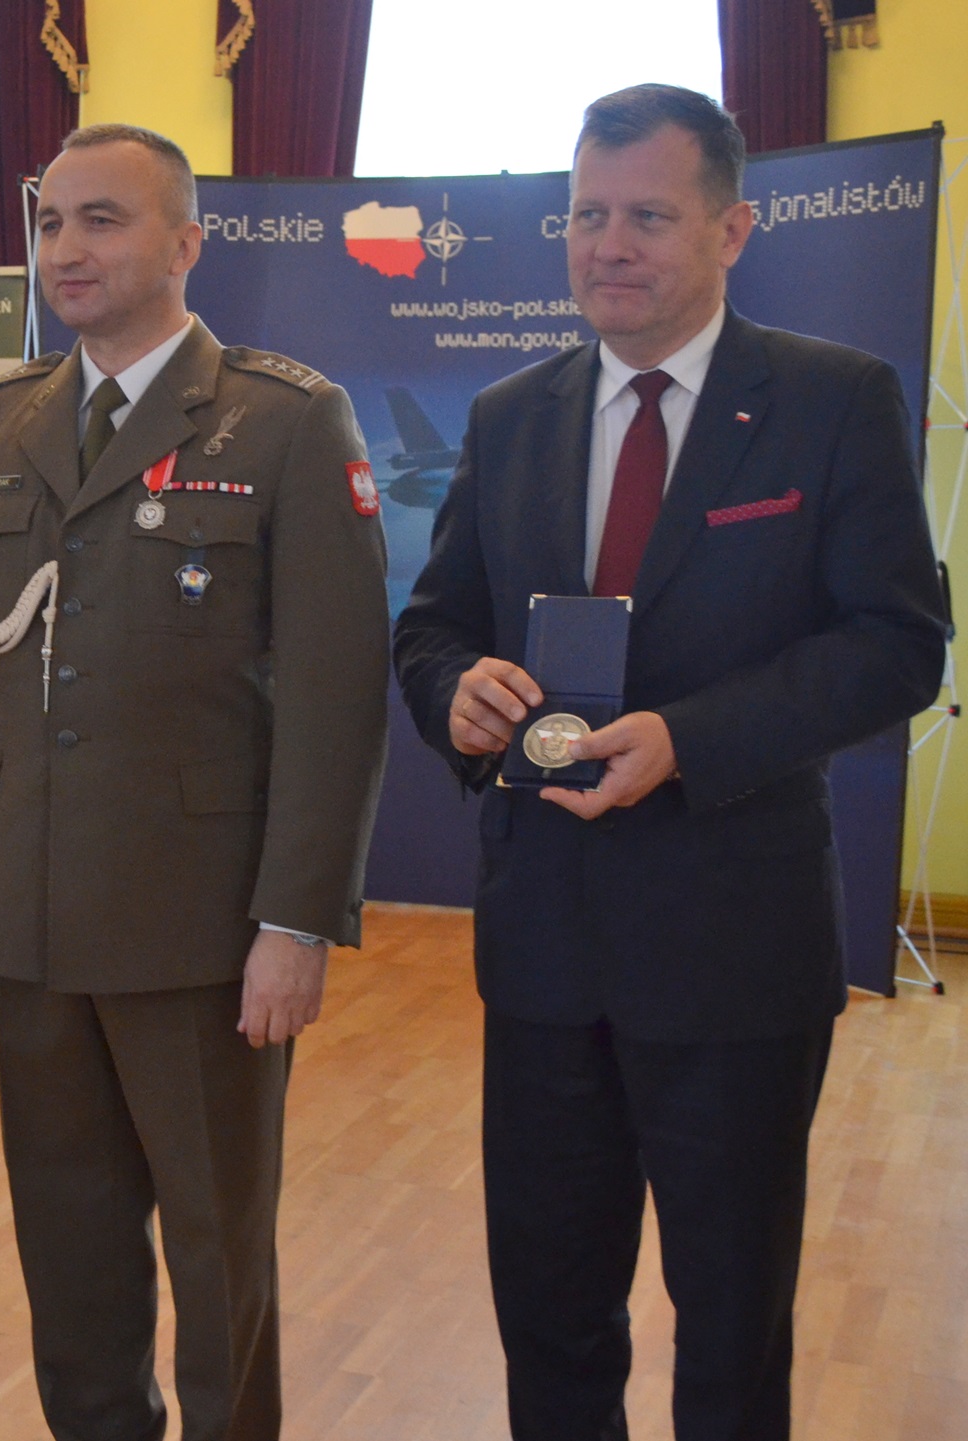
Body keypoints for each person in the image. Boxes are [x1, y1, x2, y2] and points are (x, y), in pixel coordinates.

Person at [393, 85, 946, 1441]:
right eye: (587, 215)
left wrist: (692, 739)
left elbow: (897, 644)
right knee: (551, 1312)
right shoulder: (512, 413)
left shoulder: (831, 400)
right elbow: (434, 624)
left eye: (648, 215)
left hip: (733, 951)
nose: (609, 245)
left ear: (732, 230)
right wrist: (457, 693)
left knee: (732, 1325)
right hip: (544, 948)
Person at [0, 124, 391, 1441]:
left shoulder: (283, 420)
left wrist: (297, 920)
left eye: (103, 220)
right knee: (68, 1243)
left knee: (219, 1246)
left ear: (185, 244)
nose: (67, 247)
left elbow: (337, 698)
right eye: (51, 222)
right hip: (35, 913)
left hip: (200, 927)